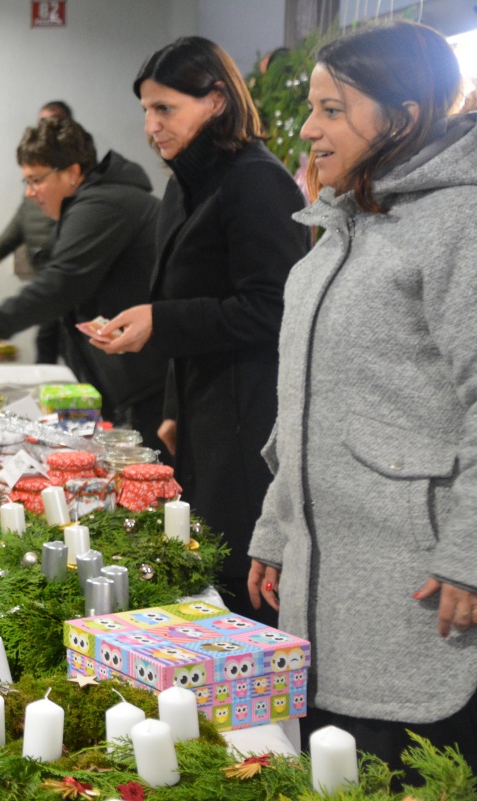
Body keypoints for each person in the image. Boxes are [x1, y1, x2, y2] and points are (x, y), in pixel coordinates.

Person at [248, 20, 477, 767]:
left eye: (333, 110)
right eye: (312, 108)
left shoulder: (459, 224)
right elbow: (304, 411)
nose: (309, 128)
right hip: (323, 600)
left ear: (403, 117)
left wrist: (470, 553)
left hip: (419, 597)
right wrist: (275, 529)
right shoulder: (337, 232)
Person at [90, 37, 309, 622]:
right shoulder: (184, 182)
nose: (150, 125)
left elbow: (275, 309)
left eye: (165, 109)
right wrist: (174, 406)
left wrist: (159, 321)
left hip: (249, 423)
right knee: (210, 578)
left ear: (215, 101)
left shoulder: (257, 181)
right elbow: (186, 304)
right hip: (203, 411)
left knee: (241, 586)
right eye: (145, 110)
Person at [0, 118, 167, 450]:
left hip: (152, 385)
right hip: (136, 380)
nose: (29, 192)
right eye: (26, 181)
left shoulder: (102, 205)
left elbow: (61, 285)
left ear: (72, 172)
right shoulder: (93, 202)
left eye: (36, 180)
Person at [0, 101, 72, 365]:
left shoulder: (68, 180)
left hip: (63, 276)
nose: (46, 129)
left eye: (53, 122)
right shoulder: (38, 175)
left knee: (67, 343)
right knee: (46, 341)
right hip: (44, 274)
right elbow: (21, 220)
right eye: (42, 122)